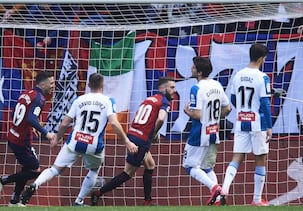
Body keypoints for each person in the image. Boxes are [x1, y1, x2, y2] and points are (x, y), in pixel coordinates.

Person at [19, 73, 138, 206]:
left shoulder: (79, 100)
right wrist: (127, 141)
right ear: (102, 86)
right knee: (93, 171)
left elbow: (65, 123)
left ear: (88, 85)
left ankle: (35, 185)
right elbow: (115, 124)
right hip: (94, 144)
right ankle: (79, 201)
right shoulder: (108, 101)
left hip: (75, 141)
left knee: (55, 169)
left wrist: (57, 138)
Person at [91, 77, 176, 206]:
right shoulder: (164, 101)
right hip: (141, 140)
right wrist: (153, 134)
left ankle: (148, 201)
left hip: (133, 134)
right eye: (172, 88)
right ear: (163, 89)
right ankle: (98, 193)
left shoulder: (148, 100)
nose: (174, 90)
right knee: (127, 173)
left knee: (150, 164)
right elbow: (161, 119)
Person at [0, 71, 56, 207]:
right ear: (42, 84)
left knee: (27, 168)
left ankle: (14, 201)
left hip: (13, 135)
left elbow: (14, 113)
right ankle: (2, 180)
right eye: (51, 83)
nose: (53, 86)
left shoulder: (26, 93)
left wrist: (29, 126)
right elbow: (31, 118)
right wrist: (46, 133)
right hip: (21, 140)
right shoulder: (40, 98)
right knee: (35, 170)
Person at [220, 43, 272, 206]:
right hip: (258, 123)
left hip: (241, 121)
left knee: (237, 157)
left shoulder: (238, 75)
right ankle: (257, 199)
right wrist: (269, 125)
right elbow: (265, 103)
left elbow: (234, 99)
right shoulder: (262, 77)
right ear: (261, 58)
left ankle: (224, 190)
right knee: (261, 159)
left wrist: (243, 110)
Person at [182, 56, 231, 206]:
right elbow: (228, 108)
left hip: (199, 132)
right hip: (213, 130)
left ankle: (215, 188)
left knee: (189, 165)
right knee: (207, 167)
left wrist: (186, 112)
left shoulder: (196, 88)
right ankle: (218, 198)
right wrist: (215, 117)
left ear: (199, 72)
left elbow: (197, 115)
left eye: (194, 67)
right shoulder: (217, 85)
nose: (191, 69)